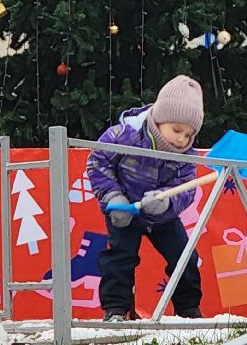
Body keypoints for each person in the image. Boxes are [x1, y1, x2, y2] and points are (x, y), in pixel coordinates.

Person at [85, 74, 206, 319]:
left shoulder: (186, 155)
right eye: (177, 130)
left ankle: (189, 310)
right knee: (120, 259)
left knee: (185, 257)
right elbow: (97, 164)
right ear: (160, 118)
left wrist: (165, 202)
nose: (181, 139)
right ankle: (116, 310)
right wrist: (112, 197)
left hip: (162, 217)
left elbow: (186, 187)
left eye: (188, 134)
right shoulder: (123, 134)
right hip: (124, 212)